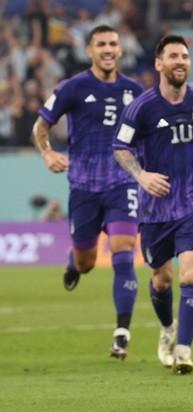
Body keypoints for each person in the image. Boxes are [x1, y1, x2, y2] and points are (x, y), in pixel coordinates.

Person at [113, 34, 193, 374]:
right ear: (159, 64)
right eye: (173, 56)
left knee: (190, 273)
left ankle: (184, 350)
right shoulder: (142, 108)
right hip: (155, 208)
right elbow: (121, 148)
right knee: (161, 279)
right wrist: (142, 176)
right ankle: (167, 330)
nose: (180, 61)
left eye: (185, 56)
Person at [32, 24, 144, 360]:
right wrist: (48, 152)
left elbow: (149, 133)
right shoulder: (73, 87)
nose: (108, 49)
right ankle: (74, 262)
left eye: (113, 43)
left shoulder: (136, 91)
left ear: (121, 50)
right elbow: (41, 125)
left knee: (124, 250)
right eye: (101, 44)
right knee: (87, 261)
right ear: (90, 51)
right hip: (83, 187)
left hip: (122, 183)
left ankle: (122, 332)